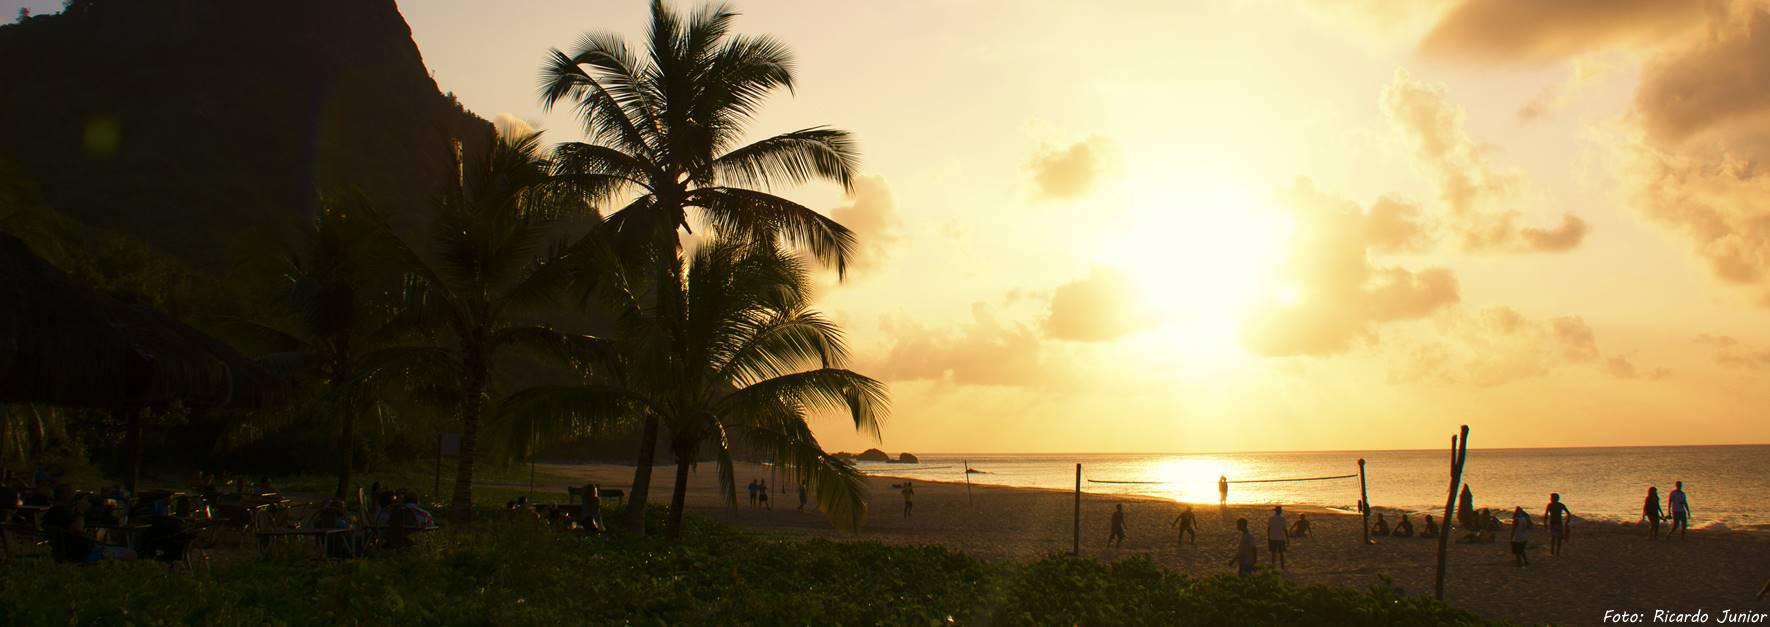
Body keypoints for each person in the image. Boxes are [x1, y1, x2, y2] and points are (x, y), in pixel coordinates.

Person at [42, 486, 136, 563]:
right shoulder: (59, 512)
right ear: (66, 496)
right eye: (73, 495)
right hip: (83, 553)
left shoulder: (53, 512)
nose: (75, 498)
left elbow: (71, 531)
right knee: (131, 554)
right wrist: (80, 511)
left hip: (80, 551)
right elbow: (76, 529)